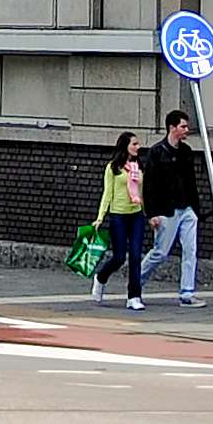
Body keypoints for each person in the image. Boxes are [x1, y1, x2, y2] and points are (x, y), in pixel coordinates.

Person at [139, 109, 207, 305]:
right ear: (172, 127)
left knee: (190, 250)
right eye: (183, 126)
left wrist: (195, 209)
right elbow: (149, 185)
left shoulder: (186, 152)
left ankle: (187, 292)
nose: (186, 130)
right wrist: (151, 213)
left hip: (187, 209)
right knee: (160, 252)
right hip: (167, 210)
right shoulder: (157, 152)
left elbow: (191, 182)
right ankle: (136, 282)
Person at [87, 130, 149, 312]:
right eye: (134, 144)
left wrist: (149, 213)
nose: (138, 147)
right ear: (125, 146)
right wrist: (100, 217)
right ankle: (101, 277)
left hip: (136, 214)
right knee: (119, 257)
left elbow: (143, 191)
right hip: (118, 215)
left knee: (136, 256)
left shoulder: (139, 166)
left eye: (138, 144)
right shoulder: (113, 167)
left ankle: (134, 296)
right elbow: (108, 193)